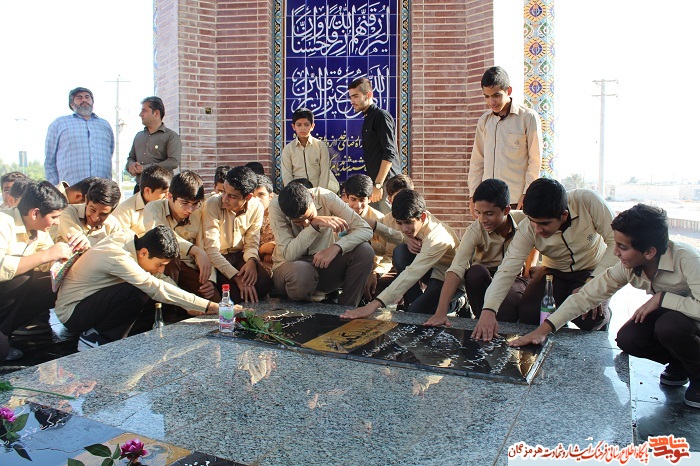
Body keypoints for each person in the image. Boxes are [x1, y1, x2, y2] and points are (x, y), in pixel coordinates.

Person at [510, 204, 700, 408]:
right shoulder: (628, 266)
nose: (615, 252)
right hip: (674, 315)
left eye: (623, 247)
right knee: (629, 339)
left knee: (669, 327)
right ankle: (681, 363)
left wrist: (662, 298)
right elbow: (586, 296)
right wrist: (542, 330)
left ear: (649, 252)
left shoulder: (687, 259)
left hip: (691, 317)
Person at [472, 178, 617, 341]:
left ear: (564, 215)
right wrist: (489, 310)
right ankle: (559, 315)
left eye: (544, 224)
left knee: (590, 317)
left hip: (592, 269)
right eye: (533, 222)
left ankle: (603, 315)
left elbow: (616, 242)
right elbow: (507, 269)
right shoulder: (528, 227)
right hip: (552, 271)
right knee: (530, 313)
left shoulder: (587, 201)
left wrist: (593, 283)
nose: (537, 229)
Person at [55, 226, 219, 351]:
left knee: (145, 290)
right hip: (72, 313)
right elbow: (155, 287)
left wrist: (189, 305)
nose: (161, 270)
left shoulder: (132, 242)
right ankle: (95, 337)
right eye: (159, 264)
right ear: (144, 253)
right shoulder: (118, 256)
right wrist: (209, 306)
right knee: (137, 291)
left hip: (90, 302)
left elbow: (161, 279)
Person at [424, 179, 531, 327]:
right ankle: (481, 319)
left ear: (506, 210)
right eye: (478, 213)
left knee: (506, 314)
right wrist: (441, 312)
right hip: (484, 279)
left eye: (489, 214)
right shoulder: (475, 230)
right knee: (475, 273)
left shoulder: (525, 221)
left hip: (513, 278)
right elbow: (456, 268)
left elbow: (537, 240)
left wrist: (529, 270)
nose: (482, 220)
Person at [341, 189, 461, 319]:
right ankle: (412, 305)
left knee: (416, 313)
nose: (404, 229)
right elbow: (398, 237)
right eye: (399, 223)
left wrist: (372, 306)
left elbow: (412, 273)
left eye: (408, 222)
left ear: (423, 217)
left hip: (448, 278)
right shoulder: (417, 222)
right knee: (400, 251)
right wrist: (375, 226)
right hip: (429, 271)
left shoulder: (436, 237)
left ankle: (457, 303)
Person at [0, 182, 86, 361]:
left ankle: (5, 334)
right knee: (23, 276)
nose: (57, 222)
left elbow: (48, 266)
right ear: (35, 213)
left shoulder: (37, 229)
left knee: (48, 283)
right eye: (54, 217)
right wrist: (46, 255)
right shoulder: (3, 223)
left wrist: (72, 251)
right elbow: (2, 267)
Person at [269, 182, 374, 306]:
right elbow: (289, 255)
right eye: (299, 222)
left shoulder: (325, 196)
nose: (306, 223)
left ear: (312, 197)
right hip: (290, 269)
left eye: (309, 217)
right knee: (301, 273)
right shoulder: (276, 206)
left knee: (365, 251)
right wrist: (314, 225)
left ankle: (347, 309)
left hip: (324, 264)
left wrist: (337, 247)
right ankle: (302, 311)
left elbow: (365, 229)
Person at [467, 66, 543, 216]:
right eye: (486, 97)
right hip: (487, 202)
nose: (491, 102)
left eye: (496, 96)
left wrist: (527, 193)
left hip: (516, 202)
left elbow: (535, 161)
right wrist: (473, 195)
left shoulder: (528, 118)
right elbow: (477, 161)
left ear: (508, 91)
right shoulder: (484, 121)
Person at [203, 166, 272, 303]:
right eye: (223, 192)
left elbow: (252, 242)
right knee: (233, 294)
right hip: (217, 259)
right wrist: (236, 277)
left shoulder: (256, 207)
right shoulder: (212, 204)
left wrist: (252, 261)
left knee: (263, 283)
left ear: (248, 197)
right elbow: (211, 250)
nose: (224, 199)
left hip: (239, 256)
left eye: (232, 196)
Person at [143, 171, 214, 299]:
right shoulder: (153, 208)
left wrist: (210, 279)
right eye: (184, 203)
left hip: (190, 268)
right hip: (162, 268)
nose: (190, 210)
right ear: (170, 196)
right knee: (170, 257)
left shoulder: (199, 212)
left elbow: (205, 246)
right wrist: (195, 250)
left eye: (195, 204)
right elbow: (161, 237)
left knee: (213, 299)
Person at [348, 77, 400, 213]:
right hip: (378, 185)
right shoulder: (368, 118)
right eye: (351, 97)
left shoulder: (380, 116)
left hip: (387, 185)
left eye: (356, 96)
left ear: (369, 95)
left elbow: (389, 152)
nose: (352, 101)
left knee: (389, 224)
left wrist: (378, 185)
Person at [342, 174, 397, 303]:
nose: (357, 205)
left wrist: (375, 273)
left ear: (370, 198)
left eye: (362, 200)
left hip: (371, 268)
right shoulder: (337, 215)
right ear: (346, 197)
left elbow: (388, 255)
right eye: (353, 199)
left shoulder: (379, 220)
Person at [45, 87, 115, 185]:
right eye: (79, 97)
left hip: (101, 188)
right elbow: (50, 160)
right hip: (71, 188)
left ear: (92, 102)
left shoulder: (104, 125)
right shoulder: (59, 124)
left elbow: (110, 152)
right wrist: (56, 188)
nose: (84, 100)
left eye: (87, 97)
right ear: (72, 104)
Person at [126, 96, 182, 190]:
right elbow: (131, 157)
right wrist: (131, 165)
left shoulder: (171, 136)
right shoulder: (138, 136)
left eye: (144, 111)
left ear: (156, 113)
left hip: (161, 190)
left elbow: (173, 162)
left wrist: (145, 168)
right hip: (139, 188)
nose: (140, 114)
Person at [281, 108, 338, 192]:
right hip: (298, 194)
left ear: (312, 126)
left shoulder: (320, 146)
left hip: (318, 193)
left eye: (306, 125)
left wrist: (320, 194)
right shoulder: (288, 149)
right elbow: (287, 175)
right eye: (299, 125)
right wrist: (293, 193)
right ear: (293, 126)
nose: (303, 128)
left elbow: (324, 173)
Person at [54, 178, 122, 247]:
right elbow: (80, 246)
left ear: (112, 211)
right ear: (86, 200)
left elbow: (120, 248)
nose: (95, 218)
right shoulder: (67, 213)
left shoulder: (113, 224)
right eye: (93, 210)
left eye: (103, 214)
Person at [112, 165, 171, 235]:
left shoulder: (169, 204)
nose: (167, 196)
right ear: (147, 191)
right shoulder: (124, 211)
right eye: (164, 192)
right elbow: (119, 238)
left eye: (169, 192)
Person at [253, 174, 275, 273]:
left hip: (279, 265)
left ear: (271, 196)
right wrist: (261, 250)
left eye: (261, 195)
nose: (256, 200)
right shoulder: (246, 218)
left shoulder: (279, 217)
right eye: (253, 196)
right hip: (254, 266)